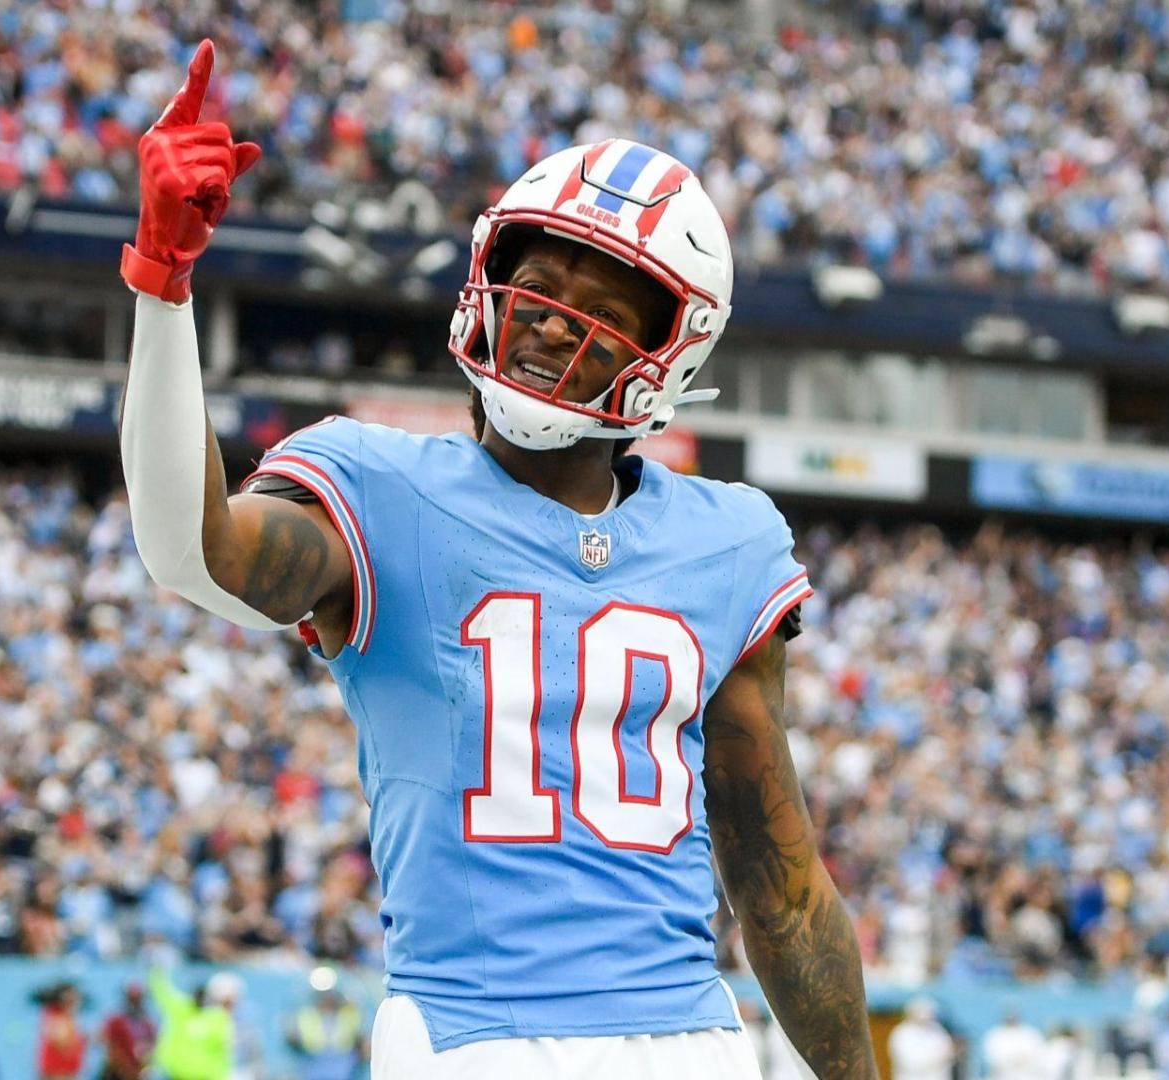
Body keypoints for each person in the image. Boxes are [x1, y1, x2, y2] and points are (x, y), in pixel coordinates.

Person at [119, 41, 875, 1080]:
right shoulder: (376, 487)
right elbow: (189, 557)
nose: (554, 319)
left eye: (605, 311)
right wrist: (163, 287)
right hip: (475, 1040)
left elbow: (781, 890)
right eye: (539, 283)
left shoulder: (729, 540)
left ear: (671, 355)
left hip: (691, 1043)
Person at [149, 969, 235, 1080]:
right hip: (173, 1074)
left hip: (203, 1076)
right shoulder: (181, 1009)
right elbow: (162, 992)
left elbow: (223, 1052)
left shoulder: (217, 1019)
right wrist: (156, 971)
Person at [286, 978, 363, 1080]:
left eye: (330, 995)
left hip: (343, 1067)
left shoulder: (349, 1013)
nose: (326, 999)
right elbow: (295, 1039)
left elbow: (358, 1038)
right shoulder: (307, 1015)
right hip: (314, 1065)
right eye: (323, 996)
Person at [98, 983, 156, 1080]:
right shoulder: (115, 1021)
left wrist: (143, 1068)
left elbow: (151, 1048)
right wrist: (124, 1069)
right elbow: (108, 1045)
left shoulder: (147, 1024)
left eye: (138, 999)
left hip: (137, 1073)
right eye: (132, 999)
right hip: (117, 1073)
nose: (135, 1003)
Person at [887, 998, 954, 1080]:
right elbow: (910, 1062)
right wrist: (938, 1058)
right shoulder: (901, 1033)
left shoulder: (937, 1030)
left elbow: (947, 1050)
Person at [35, 982, 87, 1080]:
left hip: (66, 1072)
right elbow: (64, 1045)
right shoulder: (55, 1016)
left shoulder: (66, 1017)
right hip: (57, 1073)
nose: (76, 1002)